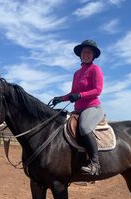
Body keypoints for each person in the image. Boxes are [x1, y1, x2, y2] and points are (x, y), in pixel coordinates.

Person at [51, 39, 104, 175]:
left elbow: (97, 90)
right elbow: (72, 93)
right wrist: (60, 99)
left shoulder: (95, 69)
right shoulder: (76, 73)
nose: (86, 54)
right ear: (80, 55)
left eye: (89, 52)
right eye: (84, 52)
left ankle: (95, 163)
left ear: (93, 55)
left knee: (84, 127)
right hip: (78, 109)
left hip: (92, 108)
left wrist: (80, 95)